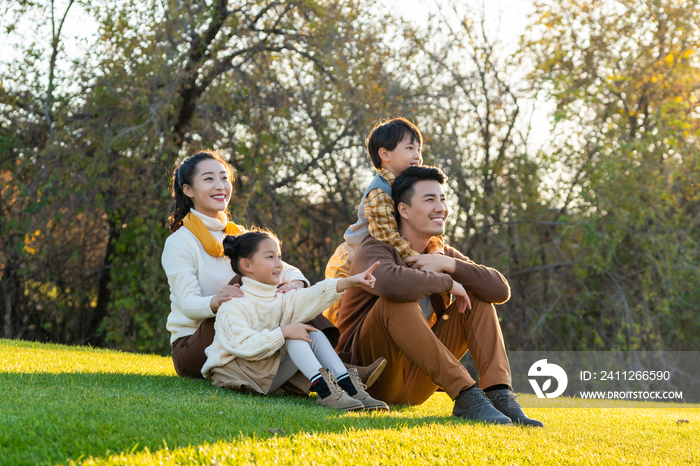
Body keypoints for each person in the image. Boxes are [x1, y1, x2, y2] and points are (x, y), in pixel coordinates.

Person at [335, 166, 543, 426]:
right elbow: (389, 284)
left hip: (418, 383)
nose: (440, 207)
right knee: (396, 302)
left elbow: (500, 290)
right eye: (429, 199)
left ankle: (499, 394)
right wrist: (445, 282)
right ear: (404, 210)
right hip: (373, 379)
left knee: (478, 298)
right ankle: (467, 394)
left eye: (443, 199)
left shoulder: (441, 254)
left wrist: (451, 266)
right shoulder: (375, 247)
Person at [161, 150, 385, 385]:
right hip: (196, 346)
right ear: (188, 190)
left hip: (244, 331)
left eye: (224, 178)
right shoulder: (180, 242)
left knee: (294, 300)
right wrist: (215, 301)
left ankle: (339, 372)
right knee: (243, 286)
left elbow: (280, 266)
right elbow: (187, 304)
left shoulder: (238, 235)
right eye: (209, 179)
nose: (220, 186)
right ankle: (344, 374)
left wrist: (295, 283)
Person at [201, 230, 389, 411]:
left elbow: (312, 296)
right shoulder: (233, 304)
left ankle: (348, 387)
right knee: (294, 335)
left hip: (266, 374)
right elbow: (244, 345)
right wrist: (284, 332)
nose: (279, 264)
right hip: (239, 375)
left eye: (279, 257)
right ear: (246, 265)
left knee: (311, 333)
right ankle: (326, 392)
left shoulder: (278, 297)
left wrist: (351, 281)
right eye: (270, 257)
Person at [324, 117, 444, 324]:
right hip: (351, 261)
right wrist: (416, 259)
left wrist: (434, 251)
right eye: (409, 148)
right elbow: (386, 235)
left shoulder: (406, 187)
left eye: (419, 149)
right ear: (385, 154)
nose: (417, 155)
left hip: (381, 258)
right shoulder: (379, 190)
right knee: (341, 316)